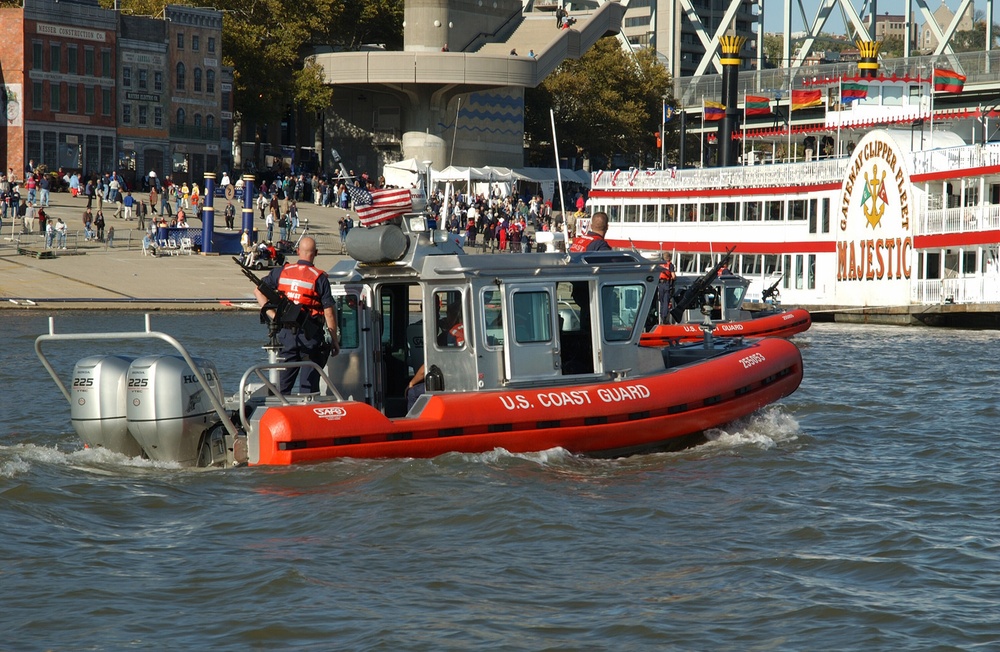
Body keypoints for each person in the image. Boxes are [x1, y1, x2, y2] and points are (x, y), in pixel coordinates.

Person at [253, 236, 339, 394]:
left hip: (287, 334)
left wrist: (273, 315)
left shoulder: (282, 272)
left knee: (283, 386)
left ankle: (282, 412)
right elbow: (329, 312)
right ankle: (307, 416)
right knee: (309, 388)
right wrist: (334, 340)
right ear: (316, 253)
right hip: (310, 335)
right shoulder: (319, 278)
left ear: (298, 251)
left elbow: (258, 290)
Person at [658, 252, 676, 324]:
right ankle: (665, 318)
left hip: (660, 284)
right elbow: (673, 276)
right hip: (666, 284)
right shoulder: (670, 265)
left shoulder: (660, 264)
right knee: (666, 302)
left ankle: (661, 316)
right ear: (669, 258)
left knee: (662, 302)